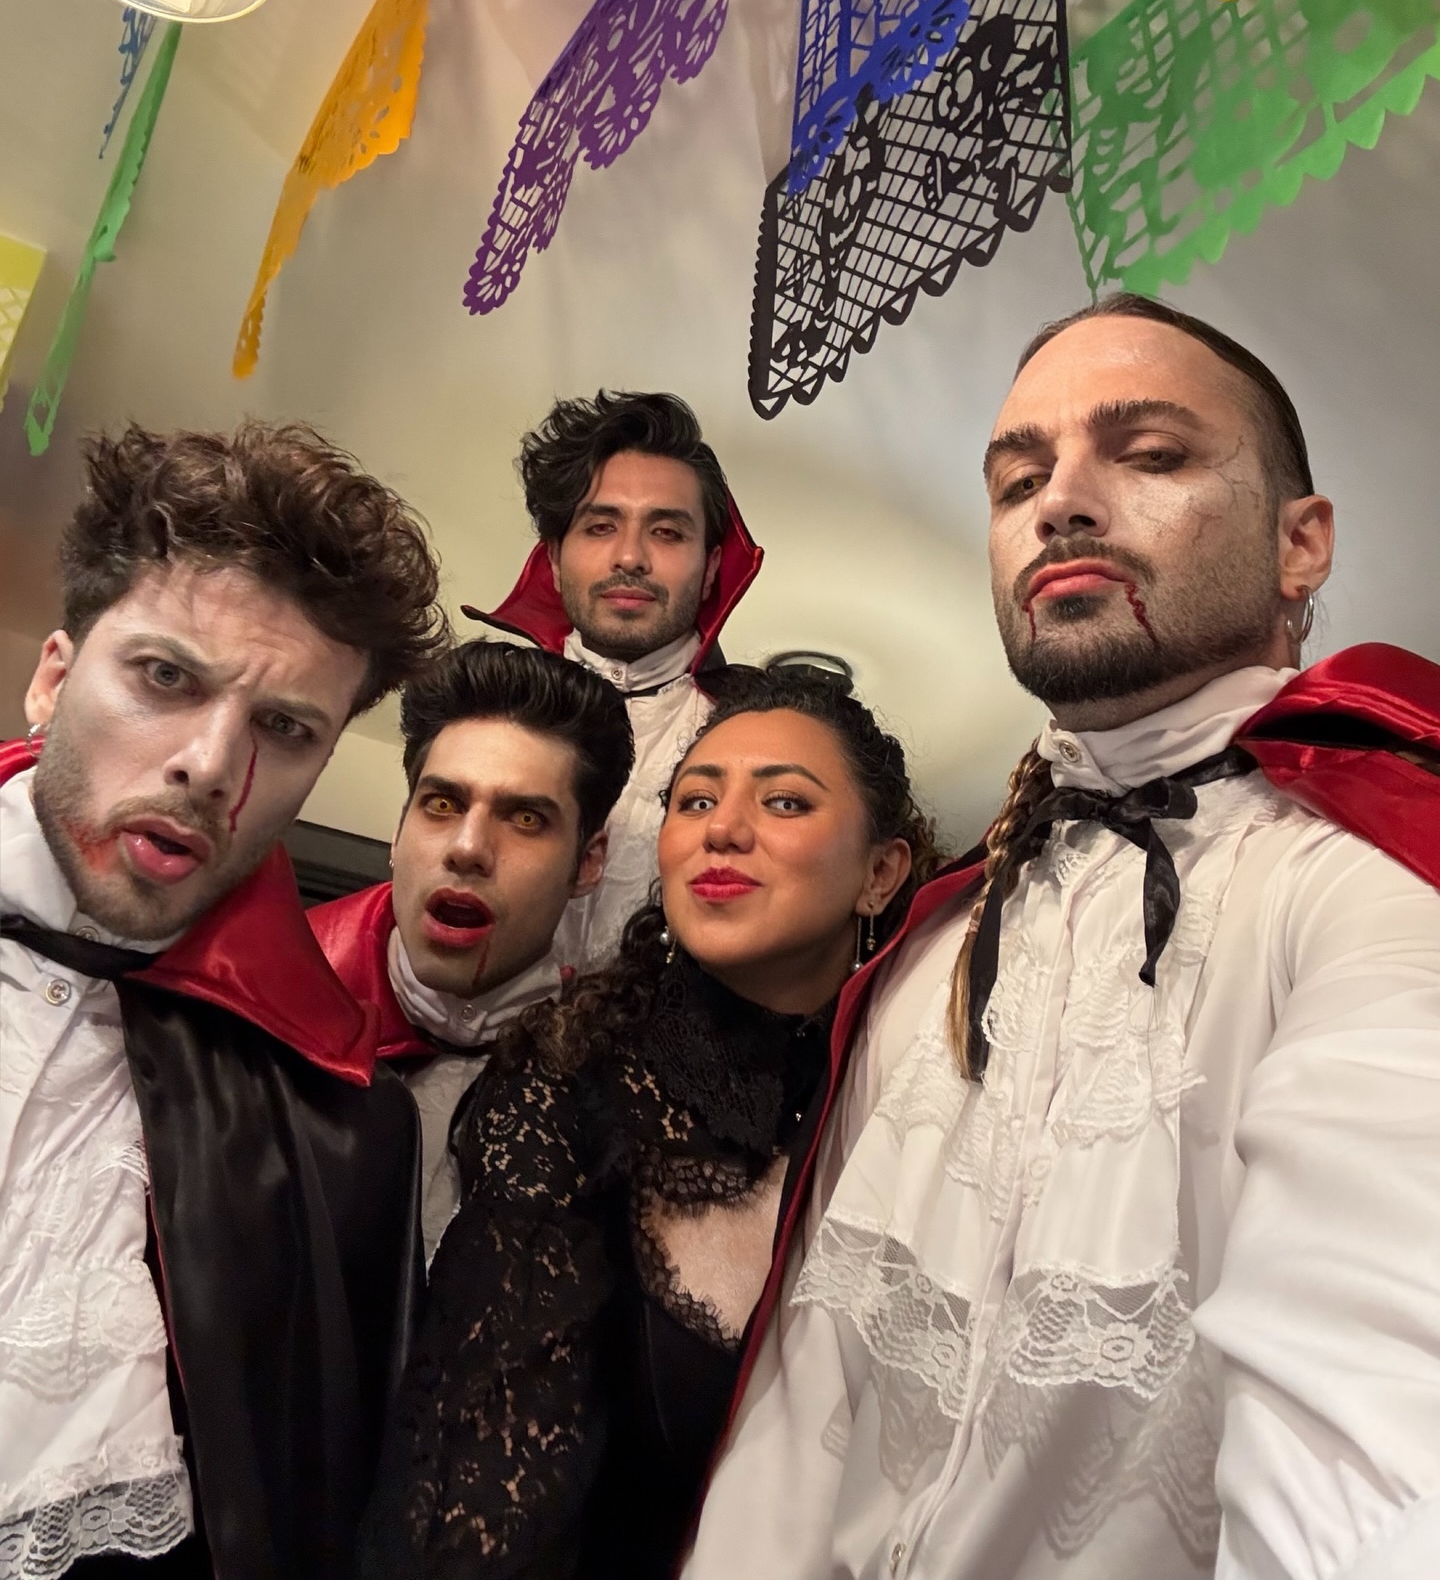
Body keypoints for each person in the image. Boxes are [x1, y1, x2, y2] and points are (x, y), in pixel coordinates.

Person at [685, 293, 1440, 1580]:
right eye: (1019, 479)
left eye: (1151, 455)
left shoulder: (1371, 895)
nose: (1063, 504)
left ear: (1300, 543)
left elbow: (1379, 1452)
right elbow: (802, 1422)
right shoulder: (934, 955)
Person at [357, 666, 937, 1580]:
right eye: (695, 800)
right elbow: (474, 1518)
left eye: (784, 802)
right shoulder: (567, 1086)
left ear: (881, 873)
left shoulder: (926, 1096)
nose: (722, 829)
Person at [0, 421, 448, 1580]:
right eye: (165, 676)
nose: (209, 765)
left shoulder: (337, 1130)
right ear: (52, 677)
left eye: (283, 729)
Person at [311, 641, 635, 1259]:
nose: (467, 848)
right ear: (398, 831)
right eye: (442, 804)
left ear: (587, 864)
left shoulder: (619, 1100)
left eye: (526, 819)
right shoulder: (262, 1019)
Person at [462, 391, 762, 974]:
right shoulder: (475, 714)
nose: (630, 557)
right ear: (553, 560)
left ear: (710, 570)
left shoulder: (761, 735)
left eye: (667, 532)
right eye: (601, 526)